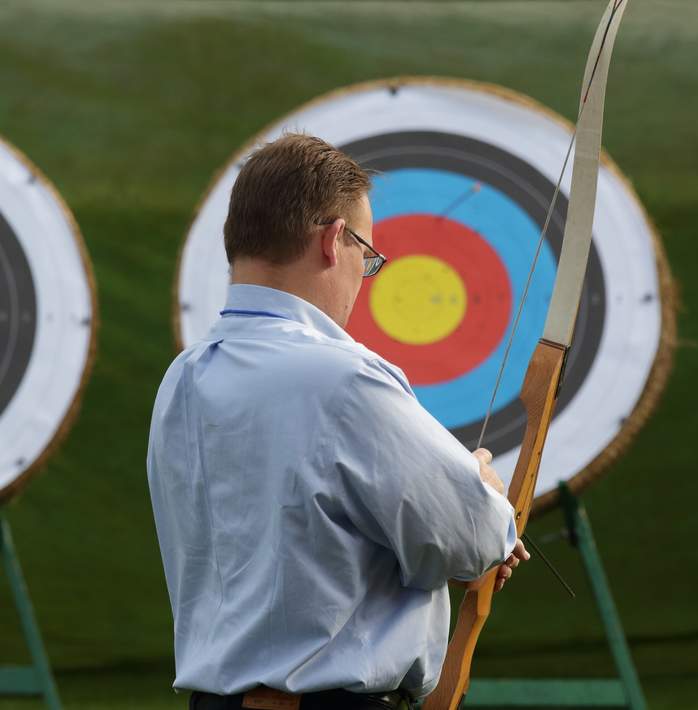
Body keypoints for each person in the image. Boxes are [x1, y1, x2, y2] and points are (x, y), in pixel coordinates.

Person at [148, 133, 529, 710]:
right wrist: (481, 488)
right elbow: (473, 537)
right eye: (367, 257)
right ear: (333, 241)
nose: (363, 276)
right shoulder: (344, 378)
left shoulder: (182, 378)